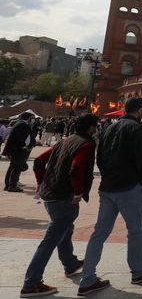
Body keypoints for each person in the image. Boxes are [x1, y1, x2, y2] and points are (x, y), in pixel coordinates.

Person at [78, 98, 142, 296]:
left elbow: (99, 157)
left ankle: (87, 279)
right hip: (129, 187)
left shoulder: (108, 128)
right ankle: (139, 271)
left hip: (107, 187)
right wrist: (141, 181)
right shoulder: (137, 128)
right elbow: (141, 159)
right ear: (140, 110)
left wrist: (107, 175)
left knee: (99, 233)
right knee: (135, 231)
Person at [19, 115, 97, 298]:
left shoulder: (64, 141)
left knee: (65, 229)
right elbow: (76, 169)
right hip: (65, 196)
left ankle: (70, 263)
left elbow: (38, 161)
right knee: (51, 239)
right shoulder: (86, 144)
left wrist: (41, 183)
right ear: (91, 128)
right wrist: (78, 192)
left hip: (50, 194)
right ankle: (31, 283)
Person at [3, 111, 34, 192]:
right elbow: (18, 137)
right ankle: (12, 186)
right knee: (17, 167)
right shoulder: (22, 124)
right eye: (32, 118)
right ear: (28, 118)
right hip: (19, 149)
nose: (32, 119)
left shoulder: (20, 124)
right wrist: (24, 145)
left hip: (17, 149)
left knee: (13, 166)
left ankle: (8, 184)